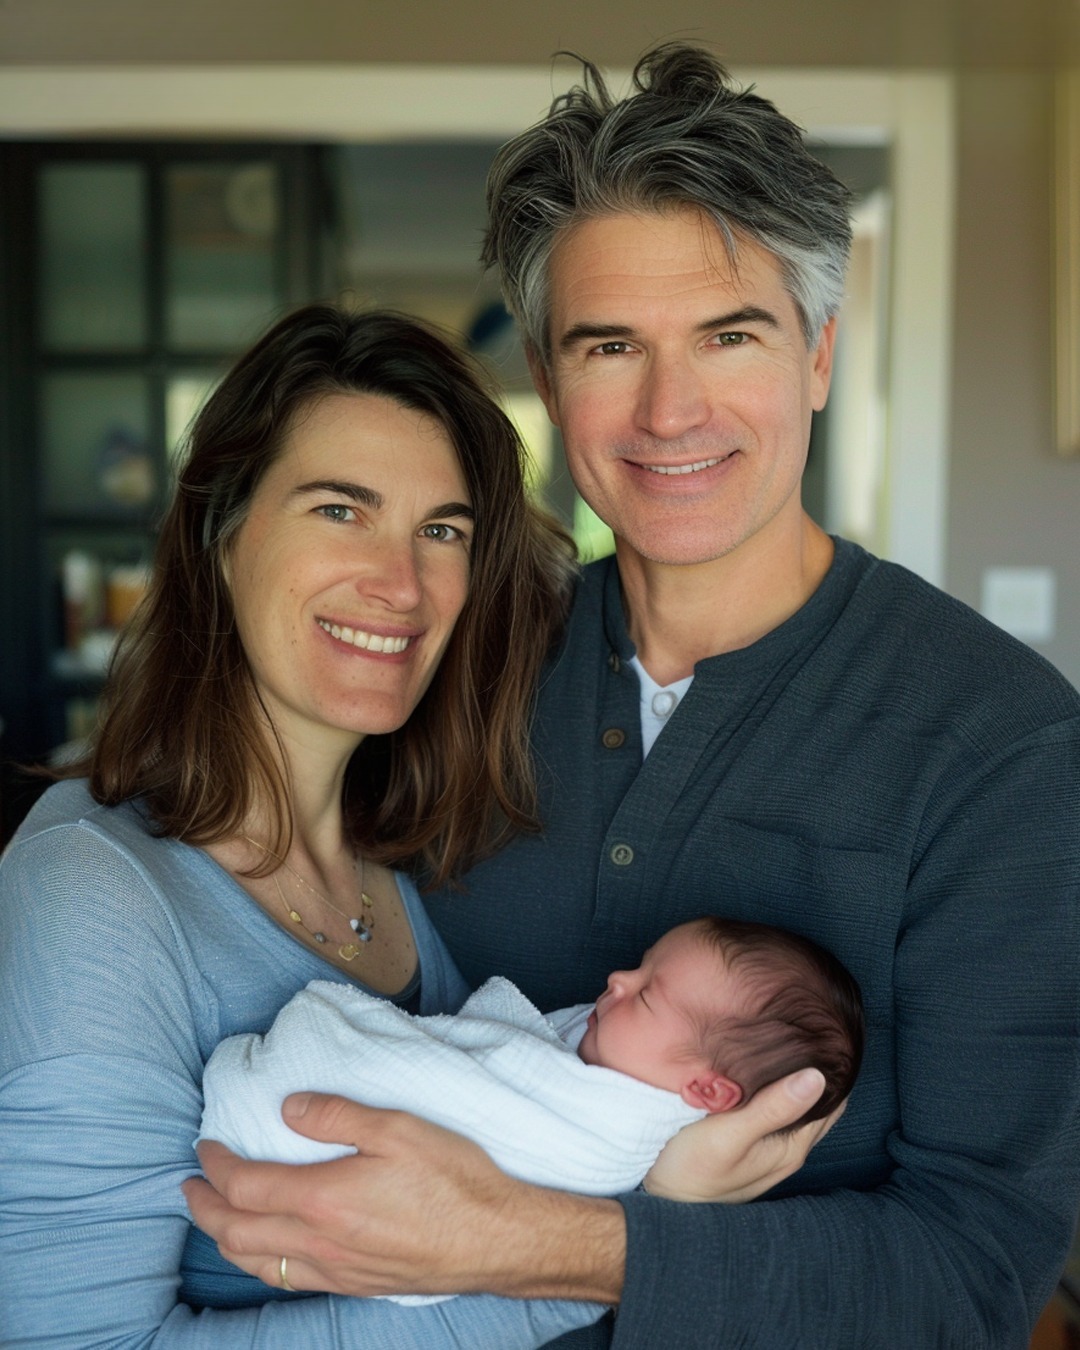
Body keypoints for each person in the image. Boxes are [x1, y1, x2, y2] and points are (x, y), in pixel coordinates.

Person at [185, 43, 1080, 1349]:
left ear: (819, 356)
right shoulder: (462, 655)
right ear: (551, 385)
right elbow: (252, 820)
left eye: (731, 335)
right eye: (612, 345)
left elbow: (975, 1274)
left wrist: (542, 1244)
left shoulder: (1000, 746)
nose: (670, 410)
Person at [0, 303, 618, 1347]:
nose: (402, 584)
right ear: (223, 536)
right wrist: (569, 1272)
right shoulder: (92, 890)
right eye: (340, 510)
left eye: (442, 531)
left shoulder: (423, 862)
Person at [199, 917, 864, 1210]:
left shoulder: (611, 1134)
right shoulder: (607, 1049)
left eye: (645, 993)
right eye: (639, 967)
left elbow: (506, 1135)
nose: (618, 979)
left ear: (707, 1091)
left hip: (292, 1131)